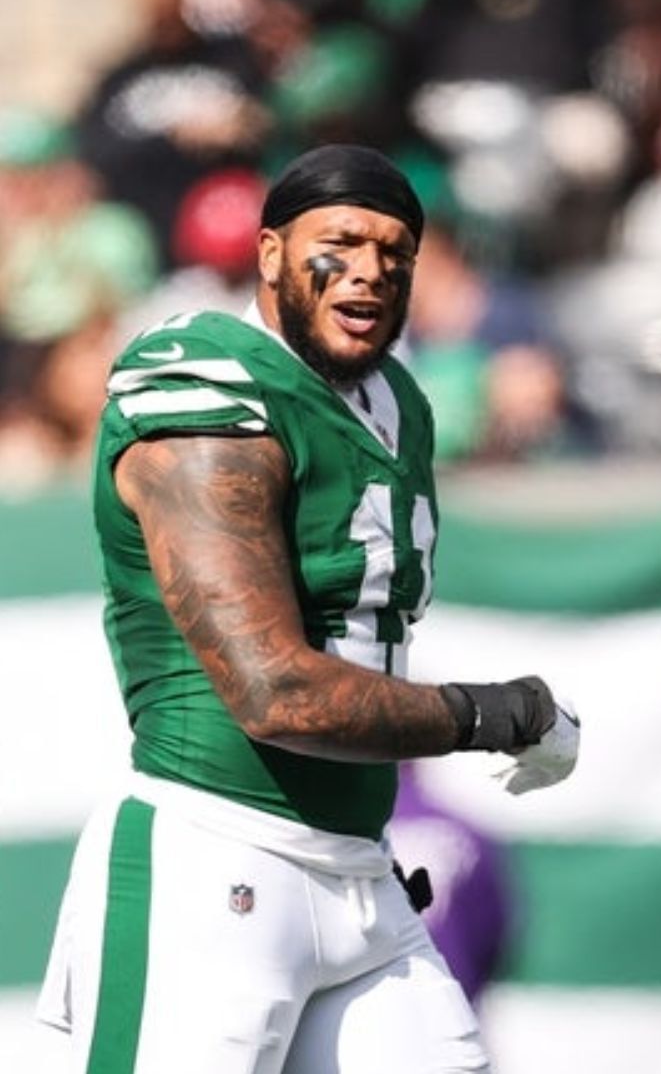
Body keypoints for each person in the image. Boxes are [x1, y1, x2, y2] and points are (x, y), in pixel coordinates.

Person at [35, 144, 580, 1074]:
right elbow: (273, 690)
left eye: (395, 253)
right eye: (341, 242)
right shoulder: (202, 377)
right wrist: (498, 713)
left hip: (361, 869)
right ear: (272, 253)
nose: (370, 269)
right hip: (216, 860)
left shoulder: (397, 402)